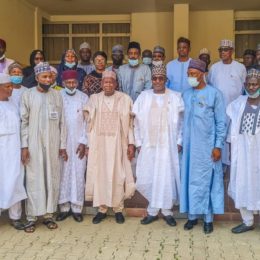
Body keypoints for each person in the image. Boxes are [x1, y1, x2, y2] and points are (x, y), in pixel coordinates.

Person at [133, 64, 184, 226]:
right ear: (151, 80)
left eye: (161, 78)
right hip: (149, 145)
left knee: (166, 177)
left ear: (165, 80)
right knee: (150, 175)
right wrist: (139, 142)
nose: (157, 81)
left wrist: (179, 141)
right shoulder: (143, 97)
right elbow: (136, 123)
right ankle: (152, 211)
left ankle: (167, 211)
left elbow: (182, 123)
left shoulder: (175, 97)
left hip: (168, 146)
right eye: (154, 78)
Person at [180, 59, 226, 234]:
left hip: (207, 148)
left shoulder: (214, 94)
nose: (190, 77)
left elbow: (221, 122)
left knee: (207, 181)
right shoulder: (185, 95)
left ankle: (208, 218)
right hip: (189, 148)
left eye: (194, 74)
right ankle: (192, 216)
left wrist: (218, 146)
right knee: (190, 180)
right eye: (189, 74)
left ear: (203, 74)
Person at [21, 62, 67, 233]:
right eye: (44, 77)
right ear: (37, 78)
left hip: (53, 144)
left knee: (51, 179)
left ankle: (48, 215)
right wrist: (24, 146)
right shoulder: (28, 95)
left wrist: (62, 145)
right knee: (34, 179)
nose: (48, 79)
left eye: (50, 76)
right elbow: (24, 122)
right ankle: (32, 217)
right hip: (33, 145)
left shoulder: (57, 96)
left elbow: (63, 122)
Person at [84, 70, 135, 224]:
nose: (107, 84)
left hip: (118, 144)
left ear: (115, 84)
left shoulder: (125, 99)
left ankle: (118, 208)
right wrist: (87, 145)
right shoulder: (94, 99)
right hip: (99, 144)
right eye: (105, 82)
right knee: (100, 175)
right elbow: (87, 122)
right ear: (101, 84)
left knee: (118, 174)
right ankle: (102, 209)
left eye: (110, 82)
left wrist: (131, 143)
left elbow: (131, 125)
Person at [227, 69, 260, 234]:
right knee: (242, 183)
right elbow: (231, 128)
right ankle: (247, 221)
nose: (252, 87)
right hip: (243, 154)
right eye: (249, 84)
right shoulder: (237, 104)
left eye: (255, 84)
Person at [208, 39, 247, 167]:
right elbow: (210, 87)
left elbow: (245, 88)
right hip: (218, 109)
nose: (222, 52)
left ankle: (234, 165)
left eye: (225, 50)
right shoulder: (214, 68)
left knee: (233, 136)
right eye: (220, 50)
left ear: (231, 51)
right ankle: (221, 166)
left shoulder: (240, 68)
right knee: (220, 136)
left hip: (236, 109)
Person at [56, 70, 88, 223]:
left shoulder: (84, 97)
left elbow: (88, 122)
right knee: (62, 174)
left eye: (73, 82)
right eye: (68, 82)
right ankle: (63, 207)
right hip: (61, 144)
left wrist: (83, 142)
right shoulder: (57, 96)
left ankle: (76, 208)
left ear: (77, 83)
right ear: (62, 83)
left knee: (78, 173)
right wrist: (59, 144)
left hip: (78, 144)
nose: (71, 85)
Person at [0, 73, 27, 230]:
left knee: (16, 181)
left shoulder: (13, 104)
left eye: (11, 86)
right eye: (8, 86)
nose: (11, 89)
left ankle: (15, 217)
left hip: (14, 152)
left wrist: (24, 148)